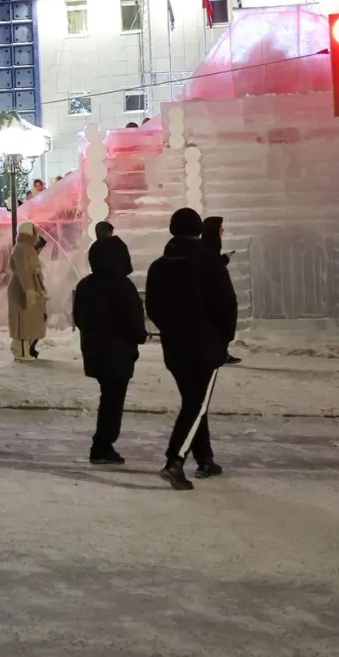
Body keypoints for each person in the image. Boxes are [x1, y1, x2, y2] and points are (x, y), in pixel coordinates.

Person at [145, 208, 237, 491]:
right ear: (198, 230)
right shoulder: (209, 264)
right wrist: (223, 339)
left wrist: (171, 329)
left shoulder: (159, 265)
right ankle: (175, 460)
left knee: (194, 402)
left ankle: (205, 458)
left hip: (174, 344)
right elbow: (226, 306)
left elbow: (153, 308)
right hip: (205, 343)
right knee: (196, 404)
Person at [73, 222, 145, 464]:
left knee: (108, 397)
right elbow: (133, 320)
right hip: (119, 353)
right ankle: (103, 444)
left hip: (95, 351)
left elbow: (80, 319)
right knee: (113, 401)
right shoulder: (122, 287)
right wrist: (139, 336)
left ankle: (103, 443)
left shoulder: (86, 285)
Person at [199, 216, 243, 364]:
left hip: (218, 297)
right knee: (217, 325)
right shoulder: (206, 247)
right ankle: (216, 354)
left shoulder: (211, 246)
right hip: (214, 298)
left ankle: (220, 353)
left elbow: (213, 265)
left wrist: (223, 259)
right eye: (220, 228)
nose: (222, 230)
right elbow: (210, 268)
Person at [7, 222, 48, 362]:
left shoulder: (27, 248)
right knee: (22, 321)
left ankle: (25, 350)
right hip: (22, 289)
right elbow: (23, 271)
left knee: (30, 321)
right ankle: (21, 351)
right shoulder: (20, 249)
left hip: (29, 288)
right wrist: (29, 290)